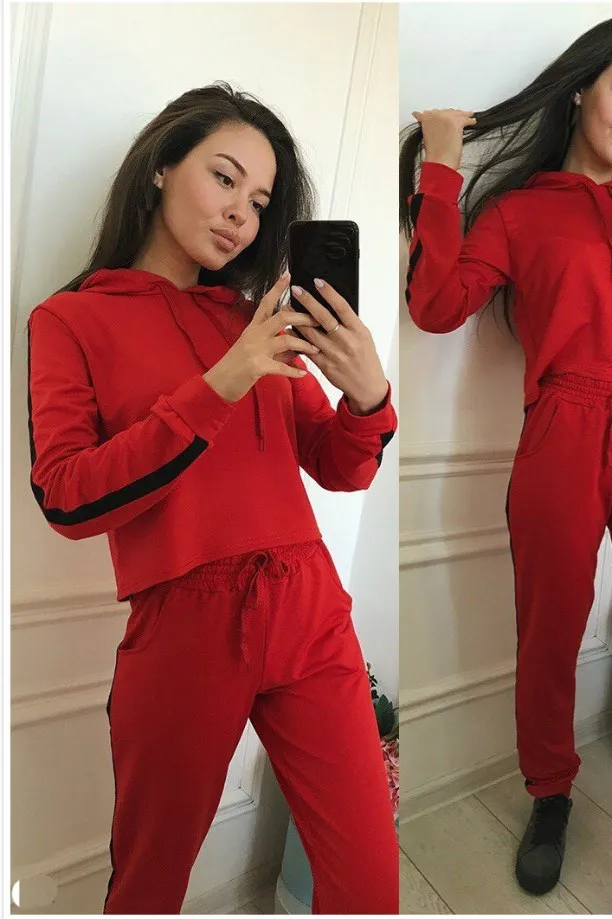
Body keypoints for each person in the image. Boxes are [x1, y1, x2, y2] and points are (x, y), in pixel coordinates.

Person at [27, 82, 398, 915]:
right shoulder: (70, 320)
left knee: (371, 881)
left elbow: (338, 466)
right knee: (149, 886)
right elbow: (66, 496)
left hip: (310, 609)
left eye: (260, 202)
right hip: (184, 626)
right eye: (224, 178)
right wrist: (220, 383)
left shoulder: (255, 318)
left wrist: (367, 394)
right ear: (162, 167)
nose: (240, 214)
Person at [400, 14, 612, 917]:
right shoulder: (520, 211)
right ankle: (550, 793)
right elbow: (434, 305)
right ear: (581, 89)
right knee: (547, 639)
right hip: (562, 432)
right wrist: (438, 165)